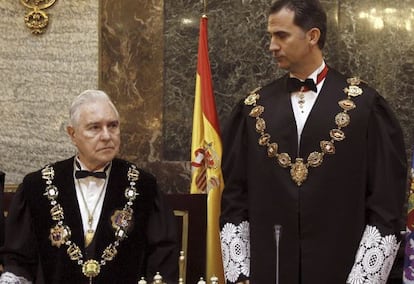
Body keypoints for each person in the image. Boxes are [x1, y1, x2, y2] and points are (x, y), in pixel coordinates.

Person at [219, 0, 407, 283]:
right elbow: (235, 200)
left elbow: (386, 203)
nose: (272, 45)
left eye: (281, 35)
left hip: (342, 270)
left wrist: (362, 279)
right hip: (270, 271)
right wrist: (241, 275)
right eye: (270, 36)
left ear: (312, 36)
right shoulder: (252, 109)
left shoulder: (365, 107)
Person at [0, 90, 179, 284]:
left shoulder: (144, 187)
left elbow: (162, 261)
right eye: (94, 128)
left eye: (112, 126)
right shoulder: (36, 186)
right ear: (72, 134)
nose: (106, 136)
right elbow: (18, 262)